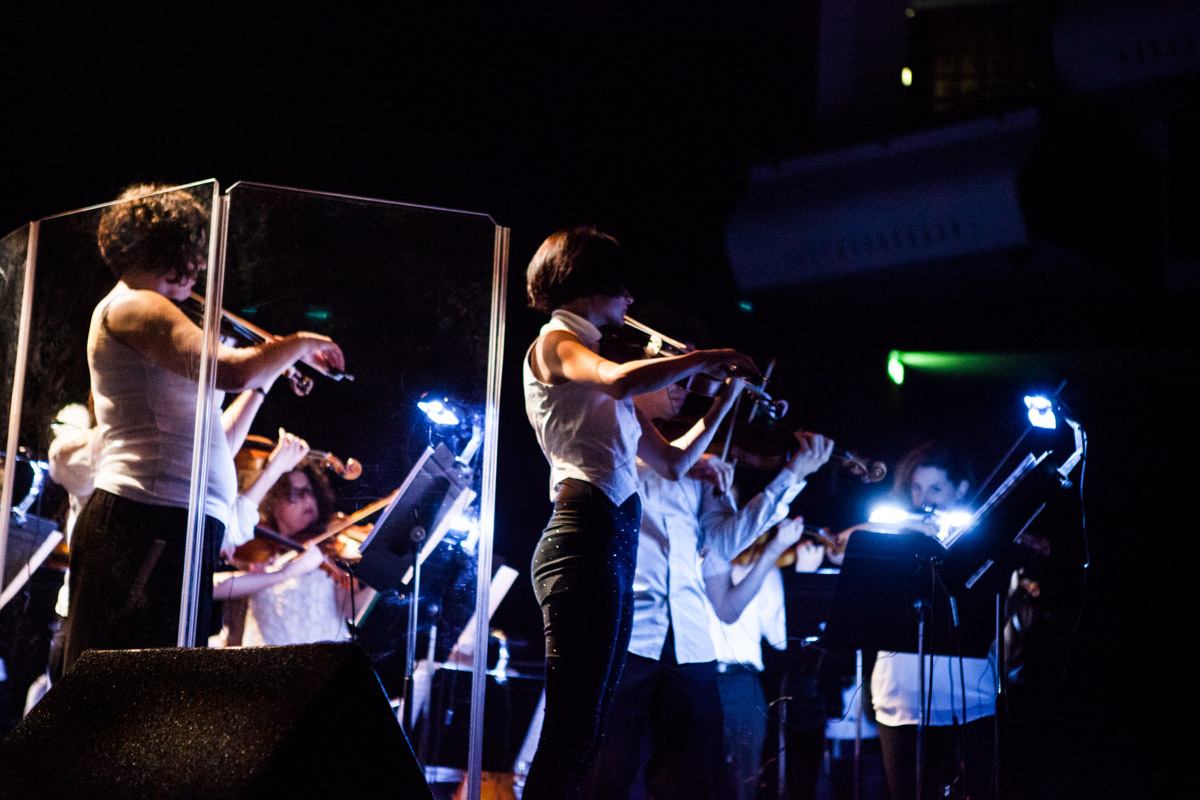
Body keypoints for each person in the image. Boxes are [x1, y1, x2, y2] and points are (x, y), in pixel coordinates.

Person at [61, 183, 344, 673]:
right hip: (146, 521)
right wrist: (297, 343)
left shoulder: (145, 308)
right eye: (195, 253)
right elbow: (233, 369)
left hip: (173, 524)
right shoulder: (135, 305)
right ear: (175, 250)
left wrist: (265, 377)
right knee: (133, 689)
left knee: (160, 688)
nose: (200, 269)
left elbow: (211, 438)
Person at [521, 225, 759, 799]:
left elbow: (673, 464)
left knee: (587, 728)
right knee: (573, 734)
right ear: (585, 283)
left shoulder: (597, 365)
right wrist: (710, 354)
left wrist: (723, 397)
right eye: (620, 286)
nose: (629, 299)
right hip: (582, 537)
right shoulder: (558, 341)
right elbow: (625, 379)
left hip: (610, 543)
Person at [584, 382, 833, 800]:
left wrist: (791, 477)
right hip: (627, 635)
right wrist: (678, 462)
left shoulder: (703, 467)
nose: (687, 389)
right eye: (676, 376)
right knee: (608, 775)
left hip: (691, 643)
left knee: (690, 782)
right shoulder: (611, 442)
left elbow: (723, 545)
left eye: (694, 377)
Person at [859, 441, 996, 800]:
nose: (923, 499)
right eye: (917, 488)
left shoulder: (983, 538)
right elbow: (853, 545)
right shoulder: (895, 532)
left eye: (935, 488)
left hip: (970, 695)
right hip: (902, 697)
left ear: (961, 489)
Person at [704, 522, 827, 800]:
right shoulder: (762, 571)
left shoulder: (759, 570)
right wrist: (803, 577)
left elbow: (779, 640)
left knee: (716, 777)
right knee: (738, 780)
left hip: (712, 680)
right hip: (733, 683)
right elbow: (780, 639)